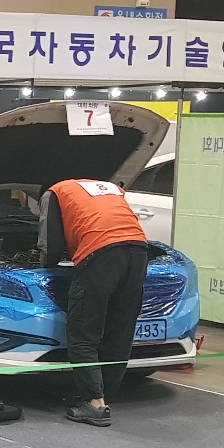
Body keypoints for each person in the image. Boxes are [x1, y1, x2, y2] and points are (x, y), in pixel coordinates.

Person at [39, 178, 150, 427]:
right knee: (119, 330)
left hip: (100, 253)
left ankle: (94, 403)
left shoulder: (54, 192)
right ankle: (103, 394)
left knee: (83, 330)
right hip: (139, 250)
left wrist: (46, 262)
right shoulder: (109, 187)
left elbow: (50, 243)